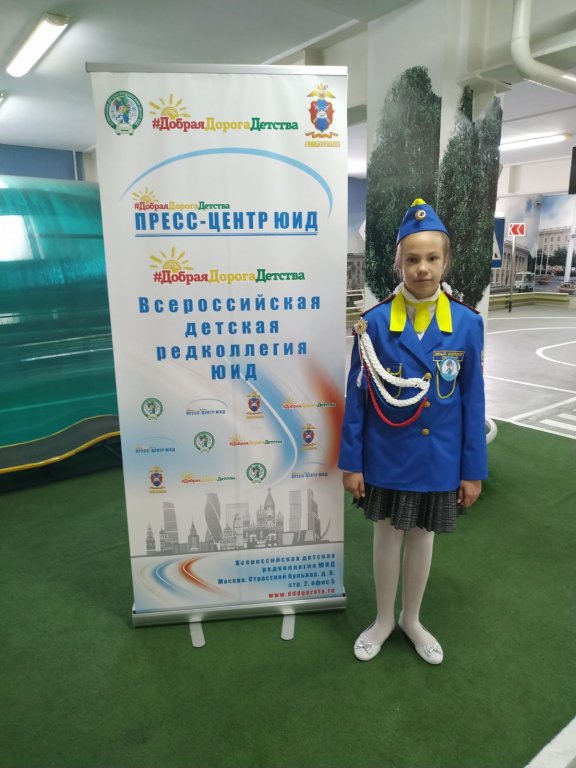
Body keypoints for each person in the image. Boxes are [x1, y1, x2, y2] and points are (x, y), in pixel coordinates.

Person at [338, 198, 487, 665]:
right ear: (398, 263)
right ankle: (383, 619)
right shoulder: (375, 324)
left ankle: (412, 619)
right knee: (387, 537)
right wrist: (352, 463)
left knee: (423, 538)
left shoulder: (467, 323)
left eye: (432, 258)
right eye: (413, 259)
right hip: (388, 455)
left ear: (445, 261)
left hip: (439, 458)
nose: (423, 268)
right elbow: (358, 398)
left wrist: (473, 471)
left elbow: (473, 401)